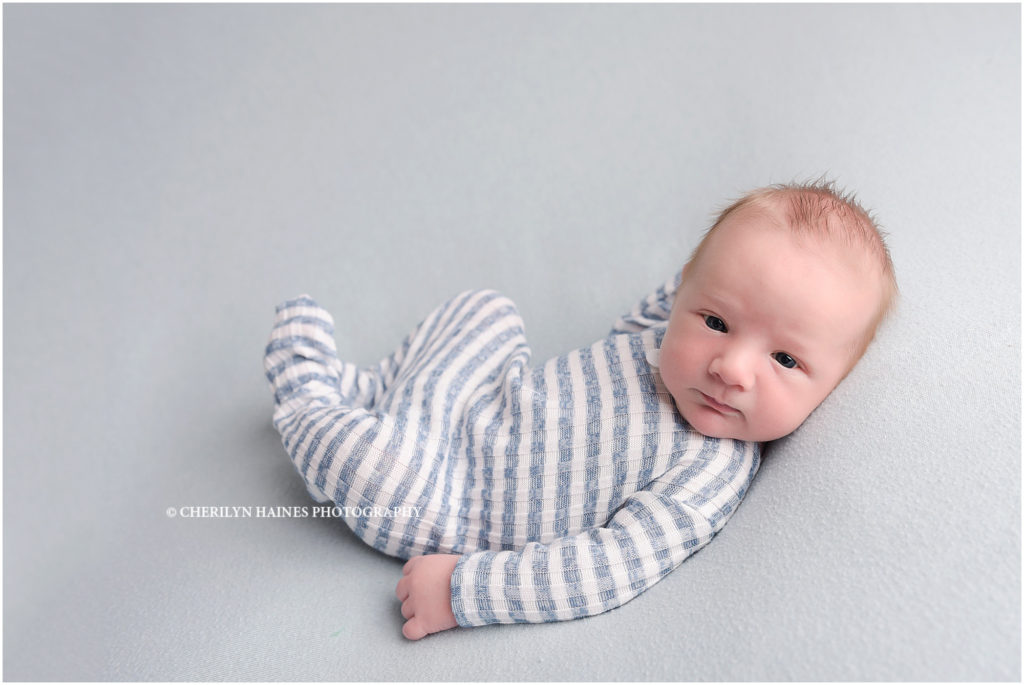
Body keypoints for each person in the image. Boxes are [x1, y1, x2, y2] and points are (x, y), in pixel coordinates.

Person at [263, 180, 897, 640]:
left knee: (374, 470)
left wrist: (462, 591)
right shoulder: (663, 339)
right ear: (686, 293)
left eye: (784, 360)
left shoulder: (709, 473)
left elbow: (605, 567)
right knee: (487, 310)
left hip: (448, 496)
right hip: (476, 401)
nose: (731, 367)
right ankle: (372, 388)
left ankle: (304, 389)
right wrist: (703, 287)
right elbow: (663, 307)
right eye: (716, 321)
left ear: (834, 385)